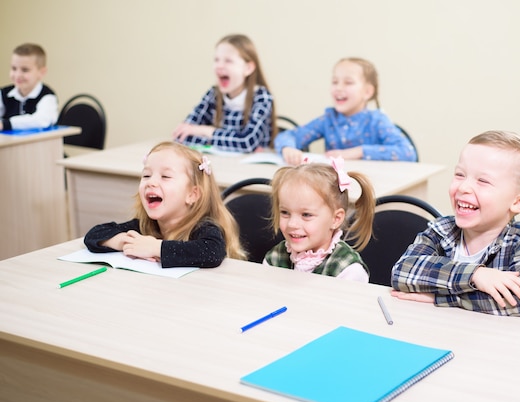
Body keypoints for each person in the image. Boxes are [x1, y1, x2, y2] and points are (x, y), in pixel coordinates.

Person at [391, 130, 520, 317]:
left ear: (518, 202)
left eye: (483, 181)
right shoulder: (440, 230)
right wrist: (475, 275)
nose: (463, 187)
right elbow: (402, 272)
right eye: (459, 175)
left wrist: (440, 298)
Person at [84, 141, 246, 268]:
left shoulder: (204, 228)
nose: (151, 182)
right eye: (146, 175)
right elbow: (94, 234)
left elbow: (212, 252)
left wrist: (155, 248)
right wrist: (127, 243)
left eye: (165, 177)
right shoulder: (147, 226)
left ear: (192, 194)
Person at [274, 57, 417, 165]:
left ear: (367, 92)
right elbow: (289, 135)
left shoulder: (377, 120)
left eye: (348, 82)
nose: (339, 88)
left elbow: (408, 153)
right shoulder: (328, 120)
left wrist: (356, 152)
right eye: (335, 82)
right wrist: (288, 148)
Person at [264, 157, 376, 282]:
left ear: (335, 219)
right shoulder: (275, 257)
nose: (292, 224)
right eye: (285, 212)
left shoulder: (348, 270)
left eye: (306, 215)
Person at [172, 34, 276, 153]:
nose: (219, 66)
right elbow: (183, 134)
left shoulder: (261, 97)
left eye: (228, 61)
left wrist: (206, 131)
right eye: (216, 60)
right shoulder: (213, 94)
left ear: (248, 68)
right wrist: (232, 141)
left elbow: (247, 142)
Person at [0, 43, 58, 131]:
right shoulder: (4, 93)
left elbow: (42, 120)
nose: (18, 75)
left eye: (25, 70)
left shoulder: (47, 96)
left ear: (41, 72)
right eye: (14, 68)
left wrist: (6, 124)